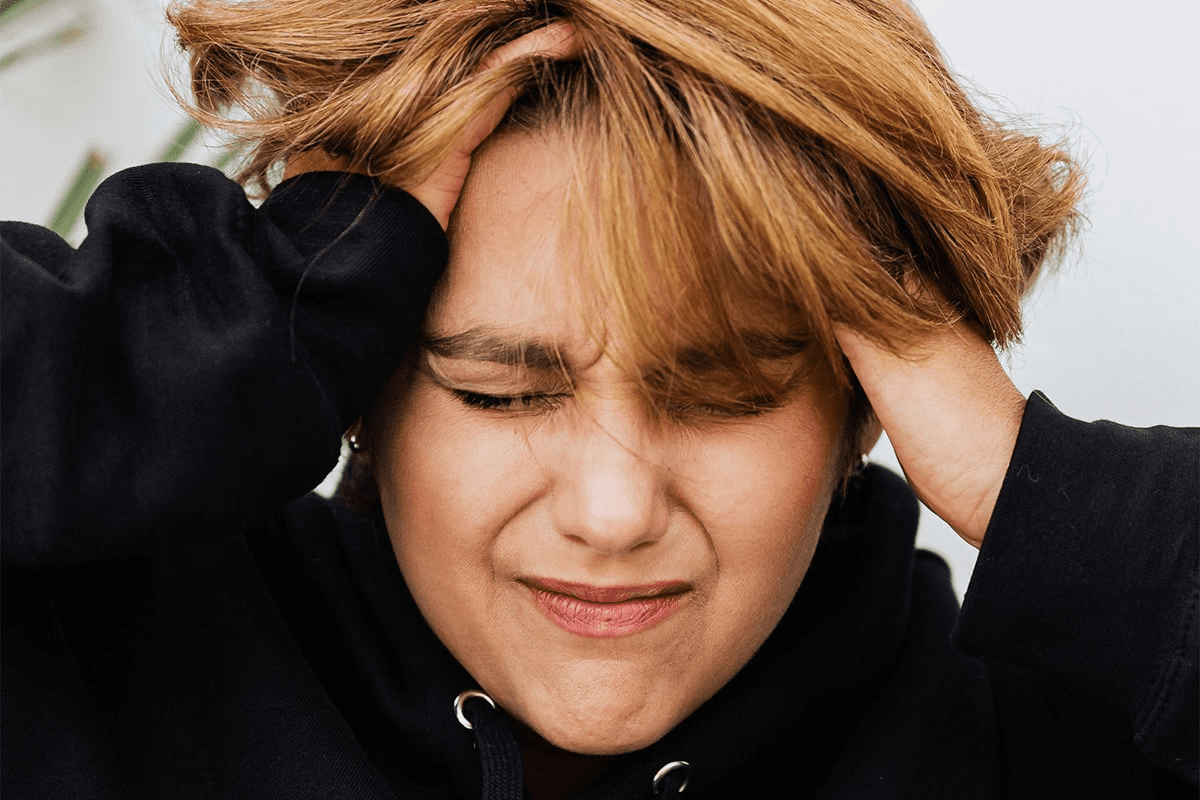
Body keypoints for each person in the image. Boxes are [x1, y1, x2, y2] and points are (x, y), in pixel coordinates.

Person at [1, 0, 1195, 798]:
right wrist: (266, 301)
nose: (614, 511)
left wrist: (1029, 480)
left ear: (870, 402)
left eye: (727, 393)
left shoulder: (1045, 747)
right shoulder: (98, 665)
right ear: (361, 374)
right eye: (501, 390)